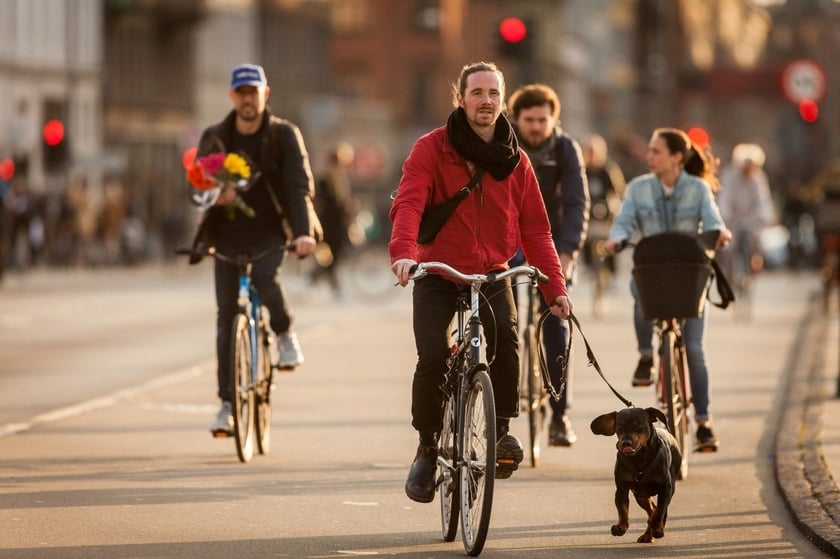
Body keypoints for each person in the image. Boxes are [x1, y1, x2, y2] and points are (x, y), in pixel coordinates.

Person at [389, 62, 572, 504]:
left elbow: (537, 230)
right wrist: (404, 254)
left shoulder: (516, 159)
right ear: (460, 98)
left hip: (493, 269)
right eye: (477, 93)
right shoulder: (432, 148)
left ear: (502, 99)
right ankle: (428, 448)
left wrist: (556, 289)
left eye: (493, 93)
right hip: (438, 269)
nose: (486, 101)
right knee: (433, 354)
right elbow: (410, 202)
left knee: (507, 338)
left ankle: (503, 429)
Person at [191, 63, 320, 436]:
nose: (248, 99)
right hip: (227, 235)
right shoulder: (215, 137)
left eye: (254, 92)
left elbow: (299, 188)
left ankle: (283, 334)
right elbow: (197, 188)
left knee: (265, 278)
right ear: (233, 97)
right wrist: (215, 195)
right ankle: (228, 405)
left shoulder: (283, 135)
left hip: (270, 232)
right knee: (226, 314)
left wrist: (303, 233)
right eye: (241, 93)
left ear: (265, 94)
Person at [603, 127, 731, 452]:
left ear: (677, 157)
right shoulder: (638, 188)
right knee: (639, 289)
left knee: (695, 349)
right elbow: (625, 220)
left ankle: (703, 423)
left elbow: (713, 220)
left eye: (656, 152)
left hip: (689, 276)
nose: (649, 157)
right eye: (649, 151)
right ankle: (646, 355)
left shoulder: (699, 189)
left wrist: (720, 233)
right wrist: (616, 238)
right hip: (654, 274)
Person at [507, 83, 589, 447]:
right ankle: (499, 410)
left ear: (553, 119)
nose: (536, 126)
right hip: (505, 242)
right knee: (500, 319)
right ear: (516, 119)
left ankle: (559, 415)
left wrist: (567, 254)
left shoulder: (565, 148)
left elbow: (576, 204)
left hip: (550, 243)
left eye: (543, 119)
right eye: (529, 120)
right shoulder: (503, 144)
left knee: (556, 318)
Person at [716, 143, 775, 291]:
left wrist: (763, 216)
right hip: (733, 219)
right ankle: (728, 276)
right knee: (728, 246)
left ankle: (755, 265)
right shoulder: (729, 176)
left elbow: (763, 201)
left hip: (751, 218)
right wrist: (726, 215)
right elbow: (724, 198)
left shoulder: (758, 178)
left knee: (756, 240)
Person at [582, 133, 626, 317]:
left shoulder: (608, 170)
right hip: (587, 216)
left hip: (605, 217)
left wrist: (611, 206)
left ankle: (610, 270)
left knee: (610, 243)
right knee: (584, 241)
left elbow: (618, 192)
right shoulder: (582, 169)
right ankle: (587, 264)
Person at [311, 143, 356, 298]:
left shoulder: (341, 181)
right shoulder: (323, 181)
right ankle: (334, 288)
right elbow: (325, 203)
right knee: (329, 258)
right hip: (327, 226)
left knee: (332, 257)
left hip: (340, 226)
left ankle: (313, 279)